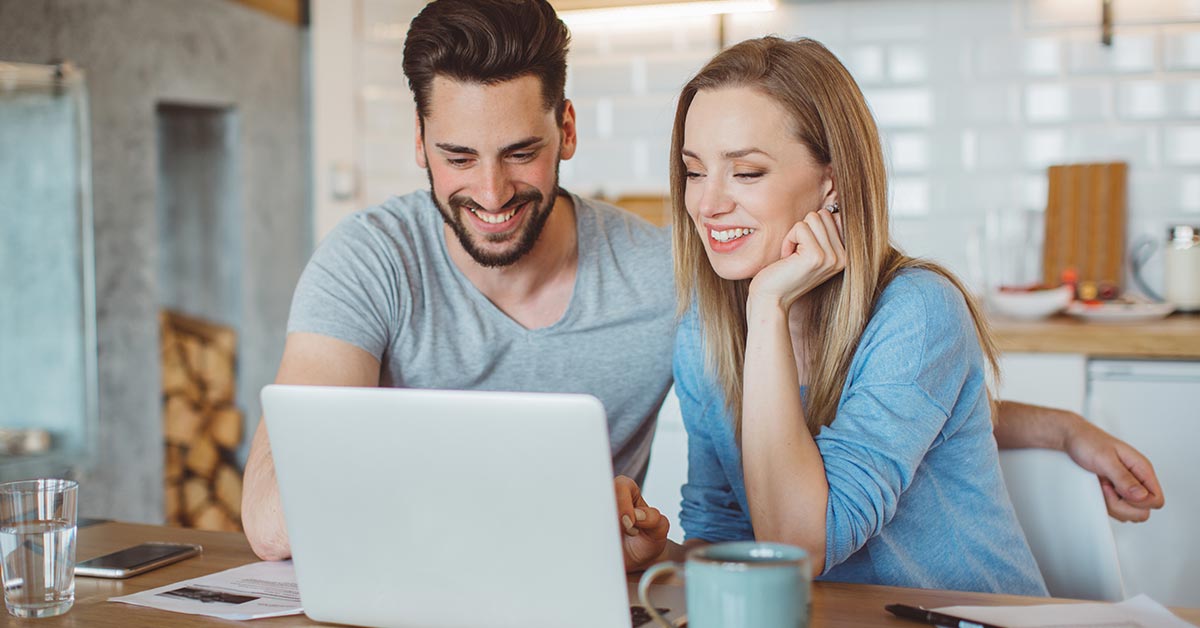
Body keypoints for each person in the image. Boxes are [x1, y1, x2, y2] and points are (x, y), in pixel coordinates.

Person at [242, 0, 1162, 563]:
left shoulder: (678, 285)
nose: (488, 191)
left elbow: (859, 423)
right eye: (694, 169)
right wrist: (655, 553)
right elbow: (282, 522)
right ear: (418, 150)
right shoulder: (706, 318)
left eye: (520, 151)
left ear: (567, 130)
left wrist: (1039, 425)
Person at [618, 35, 1039, 594]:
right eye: (695, 171)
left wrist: (767, 307)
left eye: (746, 172)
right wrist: (657, 553)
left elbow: (799, 547)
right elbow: (729, 541)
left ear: (831, 181)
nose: (707, 203)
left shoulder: (916, 314)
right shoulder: (705, 332)